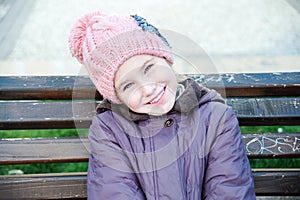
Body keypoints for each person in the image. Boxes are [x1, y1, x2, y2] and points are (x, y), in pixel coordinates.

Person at [69, 11, 256, 199]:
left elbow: (230, 191)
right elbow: (114, 191)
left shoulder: (216, 118)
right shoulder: (109, 130)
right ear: (117, 97)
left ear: (165, 57)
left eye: (149, 68)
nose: (148, 89)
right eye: (128, 85)